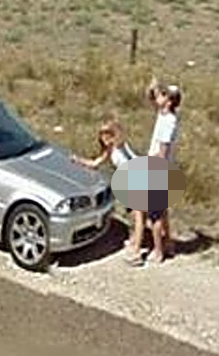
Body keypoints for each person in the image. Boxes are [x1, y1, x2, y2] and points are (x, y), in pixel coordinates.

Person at [70, 119, 142, 251]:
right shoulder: (109, 151)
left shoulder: (121, 146)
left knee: (138, 214)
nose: (105, 139)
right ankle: (136, 238)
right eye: (102, 136)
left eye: (108, 135)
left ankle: (137, 244)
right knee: (133, 213)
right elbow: (95, 163)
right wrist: (78, 160)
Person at [143, 77, 182, 265]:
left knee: (155, 214)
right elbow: (152, 99)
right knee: (163, 211)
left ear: (169, 101)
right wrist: (154, 88)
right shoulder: (166, 115)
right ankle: (168, 244)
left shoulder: (168, 123)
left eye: (163, 94)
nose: (159, 96)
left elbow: (162, 152)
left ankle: (158, 251)